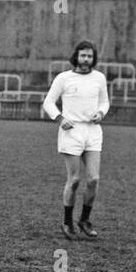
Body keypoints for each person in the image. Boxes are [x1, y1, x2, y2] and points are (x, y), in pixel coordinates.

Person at [42, 41, 109, 240]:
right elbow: (48, 102)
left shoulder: (99, 78)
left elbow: (105, 101)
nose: (86, 59)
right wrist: (60, 119)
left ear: (93, 58)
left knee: (94, 179)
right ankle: (67, 221)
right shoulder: (64, 78)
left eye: (89, 56)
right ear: (76, 57)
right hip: (72, 132)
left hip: (93, 131)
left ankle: (84, 220)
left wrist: (101, 112)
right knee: (74, 181)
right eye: (83, 56)